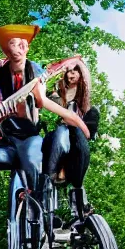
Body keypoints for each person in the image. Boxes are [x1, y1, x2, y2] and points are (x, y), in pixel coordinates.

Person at [0, 24, 90, 218]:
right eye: (13, 44)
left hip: (28, 140)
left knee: (33, 161)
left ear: (28, 48)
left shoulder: (37, 71)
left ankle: (43, 214)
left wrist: (76, 120)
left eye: (23, 44)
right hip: (2, 143)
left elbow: (43, 102)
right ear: (6, 49)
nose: (18, 48)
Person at [42, 61, 99, 220]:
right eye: (68, 71)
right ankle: (47, 205)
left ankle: (79, 210)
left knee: (73, 133)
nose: (71, 73)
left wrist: (74, 122)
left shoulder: (90, 110)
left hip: (76, 152)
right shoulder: (55, 97)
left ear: (82, 74)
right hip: (56, 148)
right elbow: (43, 102)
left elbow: (88, 134)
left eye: (75, 70)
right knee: (61, 132)